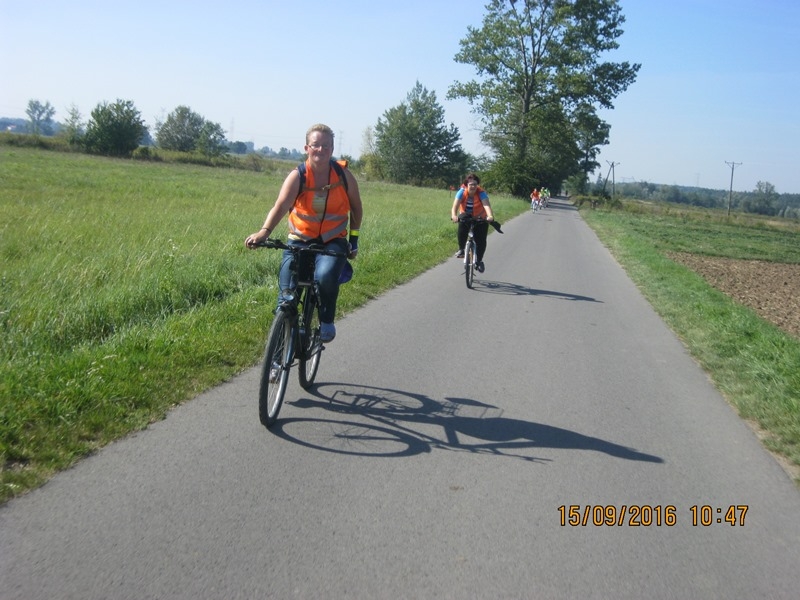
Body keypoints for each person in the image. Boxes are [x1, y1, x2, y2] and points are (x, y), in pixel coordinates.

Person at [245, 124, 363, 343]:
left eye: (326, 146)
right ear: (307, 148)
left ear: (332, 148)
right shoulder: (298, 175)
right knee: (286, 298)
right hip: (299, 241)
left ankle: (326, 320)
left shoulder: (343, 175)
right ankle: (278, 353)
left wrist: (353, 241)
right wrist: (264, 232)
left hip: (332, 241)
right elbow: (281, 206)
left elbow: (356, 208)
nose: (321, 150)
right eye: (315, 145)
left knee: (325, 276)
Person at [451, 173, 494, 273]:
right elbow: (455, 207)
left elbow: (486, 205)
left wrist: (490, 216)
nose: (473, 186)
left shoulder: (481, 193)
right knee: (462, 224)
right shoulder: (461, 192)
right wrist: (454, 216)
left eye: (475, 184)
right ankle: (461, 249)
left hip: (480, 217)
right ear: (466, 185)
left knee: (481, 240)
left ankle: (479, 261)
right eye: (471, 184)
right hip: (466, 216)